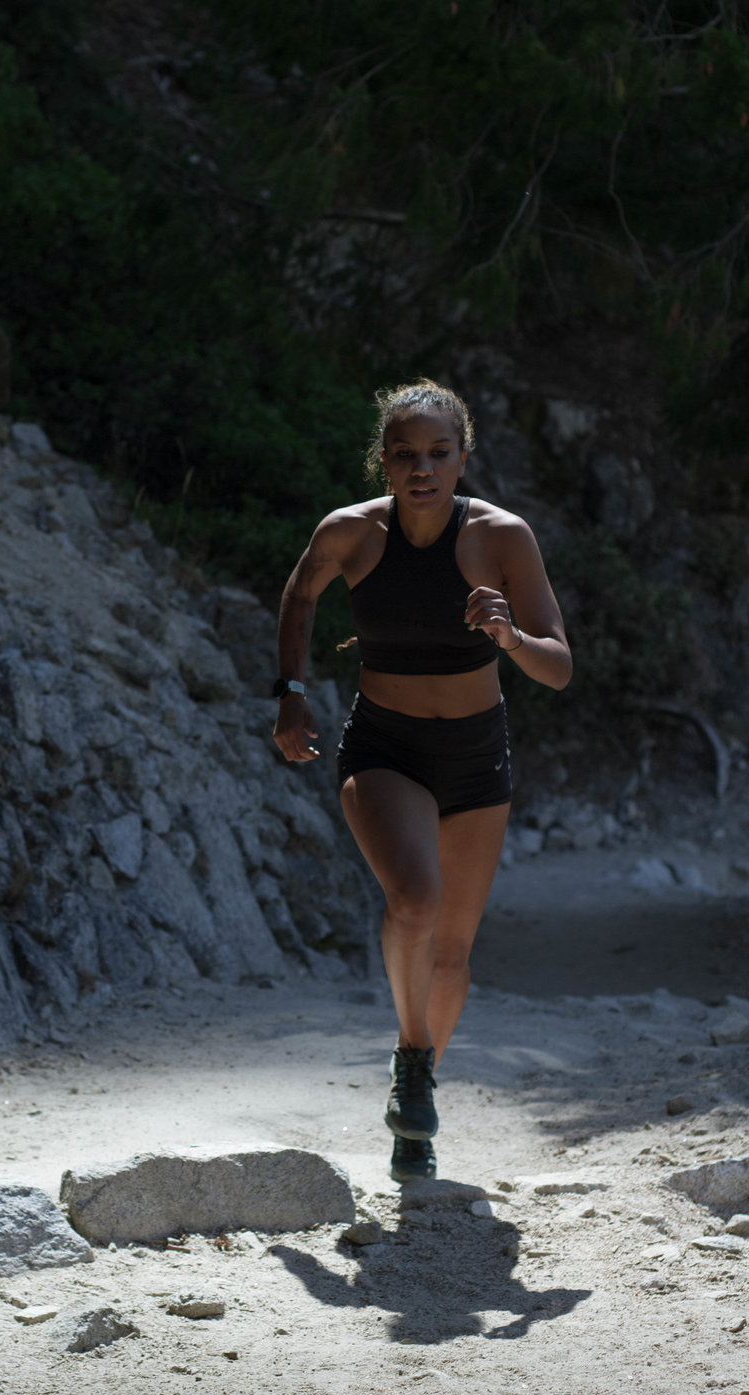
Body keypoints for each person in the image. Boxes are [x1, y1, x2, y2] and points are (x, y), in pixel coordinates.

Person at [272, 379, 572, 1183]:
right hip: (385, 746)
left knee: (452, 955)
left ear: (463, 458)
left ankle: (418, 1104)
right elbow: (300, 598)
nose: (422, 468)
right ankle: (412, 1059)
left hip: (478, 754)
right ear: (384, 461)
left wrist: (507, 634)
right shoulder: (351, 534)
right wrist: (292, 694)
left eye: (439, 453)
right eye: (405, 454)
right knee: (413, 900)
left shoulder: (502, 538)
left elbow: (559, 665)